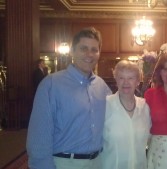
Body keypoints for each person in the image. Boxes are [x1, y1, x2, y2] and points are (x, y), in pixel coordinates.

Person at [26, 27, 112, 169]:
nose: (89, 54)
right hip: (65, 163)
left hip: (98, 162)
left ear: (99, 53)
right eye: (83, 48)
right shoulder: (51, 84)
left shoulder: (102, 86)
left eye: (94, 49)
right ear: (72, 51)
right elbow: (38, 138)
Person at [100, 60, 151, 169]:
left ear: (138, 81)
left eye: (131, 78)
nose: (126, 82)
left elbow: (150, 139)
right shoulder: (105, 105)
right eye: (121, 78)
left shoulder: (145, 107)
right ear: (116, 80)